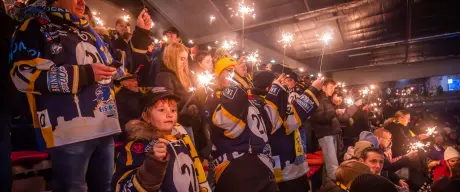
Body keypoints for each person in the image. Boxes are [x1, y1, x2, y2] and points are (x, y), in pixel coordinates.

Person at [9, 0, 153, 190]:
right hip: (68, 133)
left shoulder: (89, 31)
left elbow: (119, 68)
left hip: (104, 128)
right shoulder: (34, 26)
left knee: (104, 187)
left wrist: (141, 33)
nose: (81, 2)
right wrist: (85, 73)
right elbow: (23, 74)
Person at [205, 56, 280, 192]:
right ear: (218, 76)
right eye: (229, 70)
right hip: (235, 168)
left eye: (234, 71)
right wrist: (239, 82)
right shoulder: (214, 98)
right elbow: (231, 126)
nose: (233, 74)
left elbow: (271, 124)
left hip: (262, 165)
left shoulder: (249, 98)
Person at [113, 87, 211, 191]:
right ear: (146, 116)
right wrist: (152, 166)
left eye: (173, 110)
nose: (169, 114)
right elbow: (123, 186)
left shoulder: (180, 138)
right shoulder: (138, 146)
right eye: (161, 110)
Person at [253, 71, 322, 191]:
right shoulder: (268, 106)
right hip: (286, 171)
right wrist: (314, 89)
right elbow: (298, 111)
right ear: (269, 88)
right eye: (276, 83)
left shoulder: (254, 103)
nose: (281, 85)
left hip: (275, 168)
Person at [310, 78, 343, 182]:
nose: (332, 90)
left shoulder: (325, 99)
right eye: (330, 87)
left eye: (334, 88)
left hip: (331, 133)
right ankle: (333, 187)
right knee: (332, 165)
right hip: (325, 134)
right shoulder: (318, 98)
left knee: (332, 163)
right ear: (323, 87)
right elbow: (319, 118)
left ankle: (329, 185)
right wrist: (335, 112)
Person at [115, 73, 143, 141]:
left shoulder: (138, 93)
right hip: (129, 129)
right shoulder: (120, 97)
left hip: (142, 124)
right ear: (125, 83)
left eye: (136, 80)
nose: (136, 83)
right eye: (132, 81)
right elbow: (121, 118)